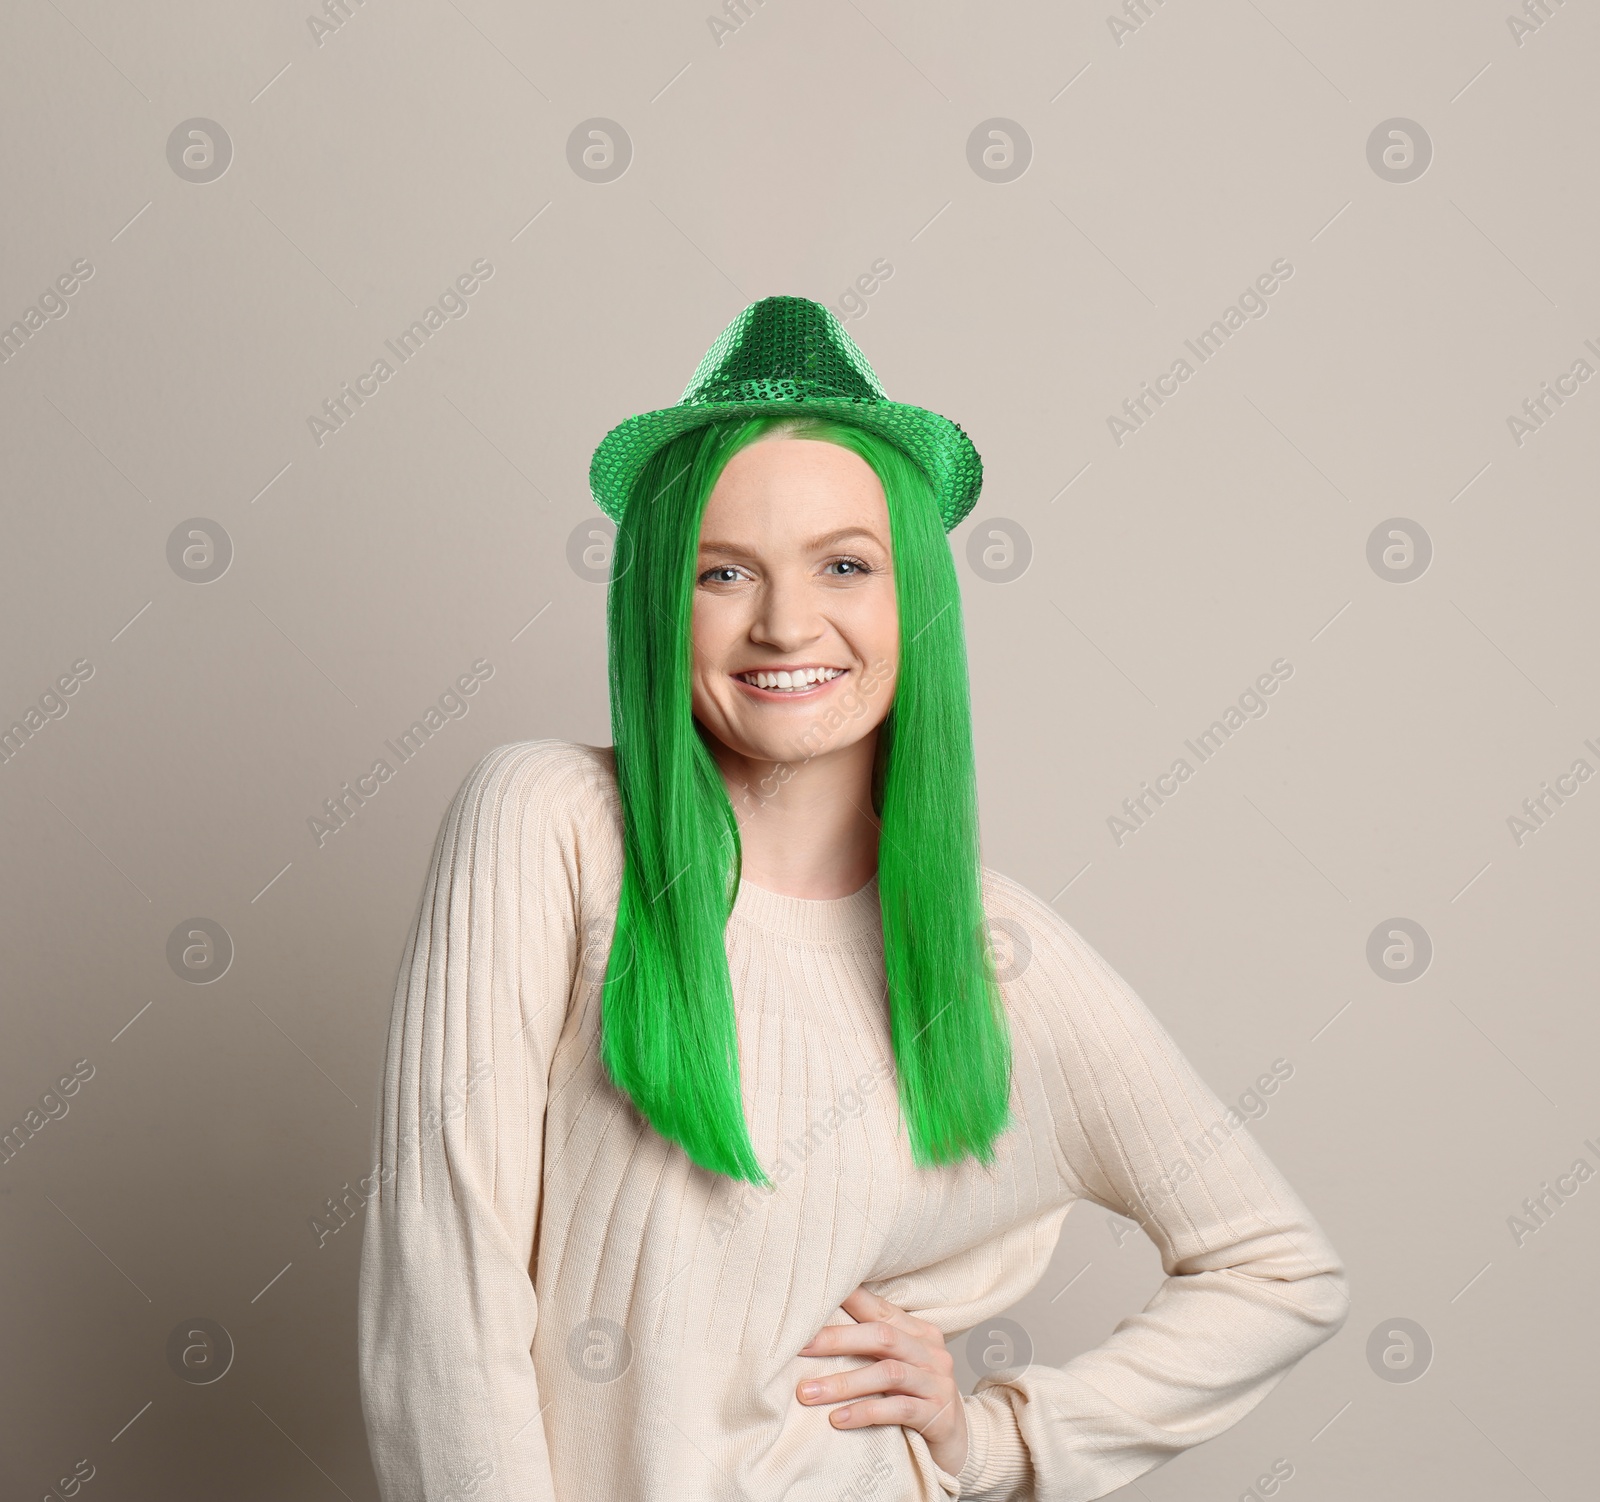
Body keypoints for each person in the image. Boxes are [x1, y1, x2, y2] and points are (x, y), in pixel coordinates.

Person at [357, 296, 1349, 1501]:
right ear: (658, 602)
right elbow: (443, 1290)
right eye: (724, 570)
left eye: (843, 564)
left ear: (910, 598)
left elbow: (1275, 1268)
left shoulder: (998, 953)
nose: (785, 620)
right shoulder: (545, 820)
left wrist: (999, 1440)